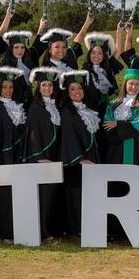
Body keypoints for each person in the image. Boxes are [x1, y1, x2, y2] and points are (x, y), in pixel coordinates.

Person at [0, 66, 28, 241]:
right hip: (4, 158)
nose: (8, 90)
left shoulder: (18, 106)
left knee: (19, 194)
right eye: (4, 87)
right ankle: (5, 233)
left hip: (18, 156)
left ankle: (19, 229)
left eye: (10, 87)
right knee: (6, 196)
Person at [23, 67, 64, 241]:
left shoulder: (56, 106)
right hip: (40, 157)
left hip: (54, 155)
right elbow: (33, 134)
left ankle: (49, 228)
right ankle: (40, 231)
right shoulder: (35, 108)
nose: (47, 88)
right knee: (42, 196)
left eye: (50, 85)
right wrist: (39, 156)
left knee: (52, 196)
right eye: (44, 85)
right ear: (38, 87)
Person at [59, 70, 100, 236]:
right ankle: (77, 227)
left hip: (91, 157)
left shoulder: (88, 109)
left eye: (80, 88)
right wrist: (80, 158)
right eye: (73, 89)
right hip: (76, 161)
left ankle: (90, 224)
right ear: (67, 93)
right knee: (76, 195)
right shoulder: (67, 112)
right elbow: (68, 136)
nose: (77, 92)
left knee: (90, 193)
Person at [103, 69, 139, 167]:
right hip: (116, 148)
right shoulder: (113, 104)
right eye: (131, 83)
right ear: (125, 84)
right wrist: (127, 127)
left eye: (137, 84)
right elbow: (107, 124)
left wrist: (118, 124)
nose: (134, 87)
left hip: (136, 149)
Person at [82, 25, 124, 117]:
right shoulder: (84, 70)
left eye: (100, 53)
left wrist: (118, 32)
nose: (96, 56)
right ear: (89, 54)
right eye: (93, 53)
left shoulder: (108, 66)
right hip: (90, 109)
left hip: (107, 109)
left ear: (104, 55)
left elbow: (118, 52)